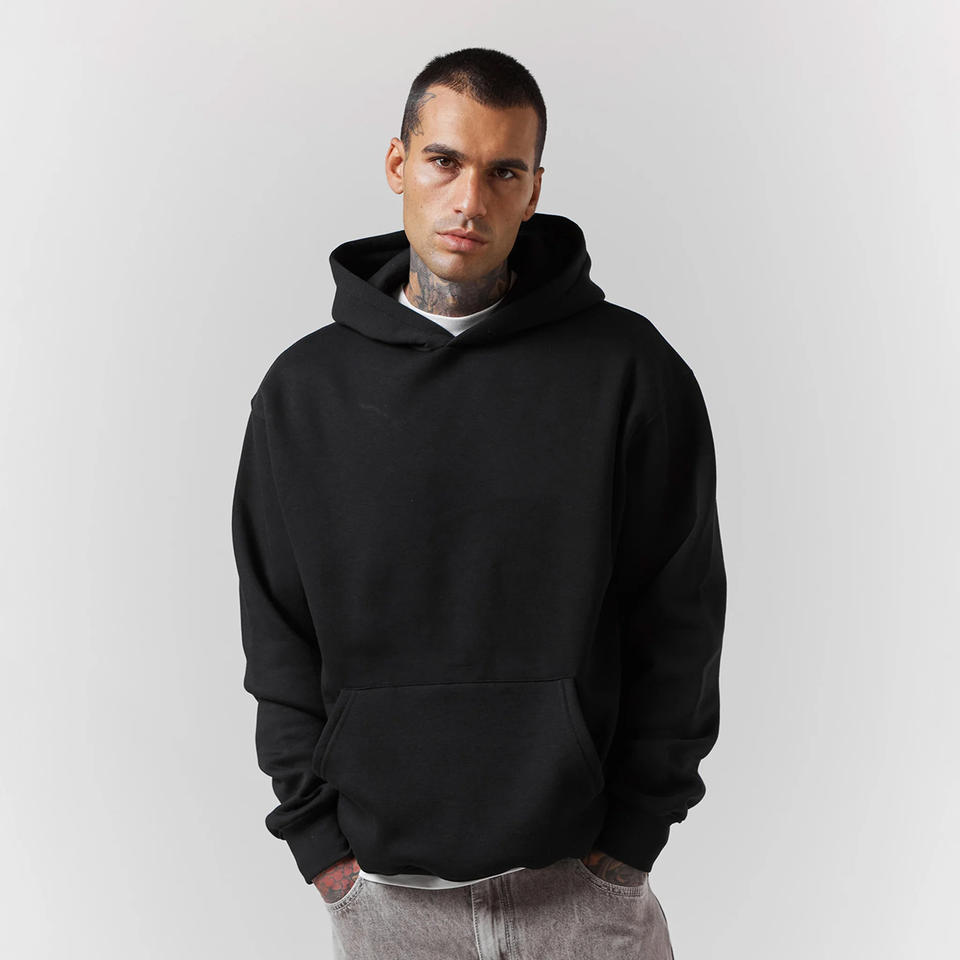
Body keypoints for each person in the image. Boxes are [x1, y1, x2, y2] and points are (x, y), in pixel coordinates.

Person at [231, 46, 726, 959]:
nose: (470, 199)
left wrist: (631, 844)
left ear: (534, 190)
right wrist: (322, 855)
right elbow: (277, 636)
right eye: (444, 161)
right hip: (388, 906)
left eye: (504, 171)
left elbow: (680, 619)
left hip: (584, 898)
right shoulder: (303, 396)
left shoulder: (630, 373)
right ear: (398, 164)